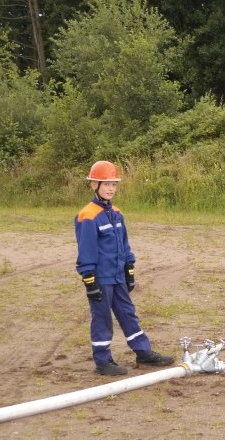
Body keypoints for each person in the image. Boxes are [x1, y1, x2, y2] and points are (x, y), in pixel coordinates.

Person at [75, 160, 174, 376]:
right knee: (102, 318)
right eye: (106, 184)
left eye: (114, 184)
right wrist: (89, 280)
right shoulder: (88, 215)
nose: (111, 188)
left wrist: (129, 269)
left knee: (128, 314)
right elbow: (87, 251)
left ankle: (143, 353)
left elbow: (125, 244)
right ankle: (103, 361)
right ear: (94, 184)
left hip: (118, 275)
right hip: (101, 278)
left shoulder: (117, 213)